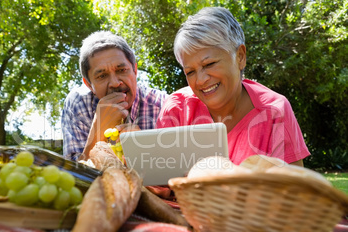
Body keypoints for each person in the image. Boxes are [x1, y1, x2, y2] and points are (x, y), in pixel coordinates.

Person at [156, 7, 310, 166]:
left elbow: (295, 188)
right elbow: (158, 185)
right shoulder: (177, 110)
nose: (200, 80)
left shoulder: (275, 111)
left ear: (240, 57)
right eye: (190, 72)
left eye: (209, 64)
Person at [62, 31, 168, 161]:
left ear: (135, 71)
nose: (115, 83)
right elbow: (74, 178)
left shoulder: (162, 105)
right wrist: (98, 131)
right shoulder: (78, 105)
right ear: (89, 85)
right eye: (102, 76)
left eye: (121, 70)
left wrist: (144, 150)